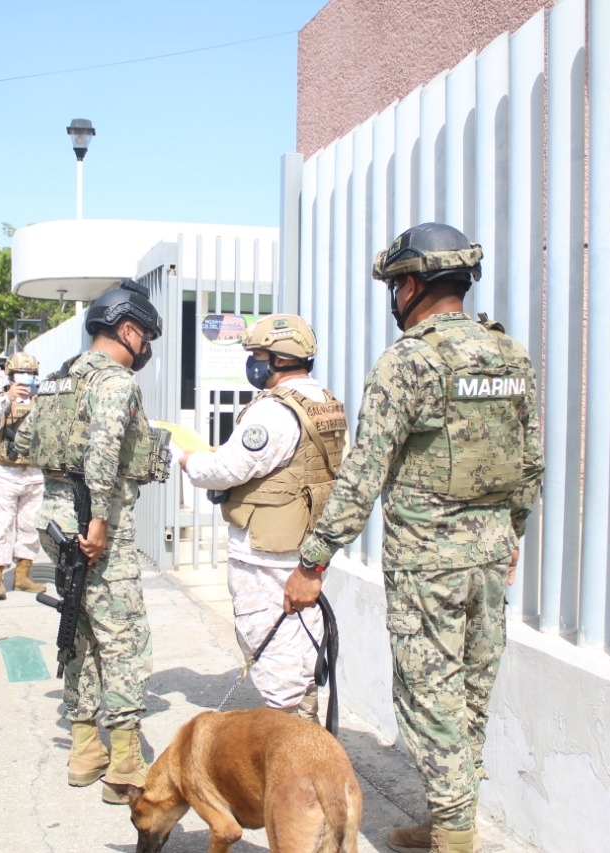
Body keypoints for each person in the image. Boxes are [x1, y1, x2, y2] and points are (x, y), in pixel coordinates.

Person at [283, 223, 545, 853]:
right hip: (486, 556)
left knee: (430, 701)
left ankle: (454, 836)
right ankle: (449, 818)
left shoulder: (409, 361)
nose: (394, 298)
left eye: (395, 286)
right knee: (469, 696)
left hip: (429, 566)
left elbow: (361, 477)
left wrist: (312, 562)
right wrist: (512, 535)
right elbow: (531, 459)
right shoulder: (509, 356)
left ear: (411, 285)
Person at [15, 278, 170, 805]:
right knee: (124, 639)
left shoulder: (60, 380)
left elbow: (21, 441)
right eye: (146, 335)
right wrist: (100, 520)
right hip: (94, 526)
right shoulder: (115, 382)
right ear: (127, 329)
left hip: (55, 518)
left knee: (76, 629)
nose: (146, 346)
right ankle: (124, 764)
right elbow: (103, 451)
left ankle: (84, 750)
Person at [179, 314, 346, 723]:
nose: (253, 364)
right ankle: (304, 728)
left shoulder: (273, 412)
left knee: (270, 643)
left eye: (257, 355)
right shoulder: (323, 401)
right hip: (304, 545)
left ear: (278, 358)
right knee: (302, 642)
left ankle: (293, 742)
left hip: (267, 553)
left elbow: (228, 470)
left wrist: (190, 460)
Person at [0, 350, 47, 600]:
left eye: (30, 374)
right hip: (6, 472)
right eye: (21, 373)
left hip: (34, 472)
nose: (26, 378)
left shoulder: (43, 399)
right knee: (1, 526)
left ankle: (23, 576)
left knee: (31, 526)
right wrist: (8, 397)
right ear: (10, 375)